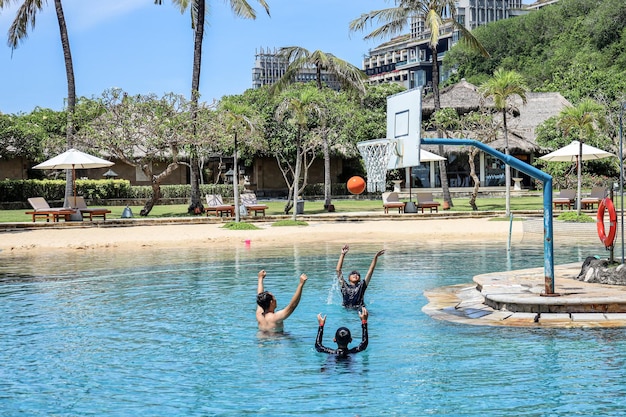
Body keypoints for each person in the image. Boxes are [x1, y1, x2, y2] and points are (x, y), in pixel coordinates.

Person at [336, 244, 385, 308]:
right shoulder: (344, 285)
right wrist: (342, 254)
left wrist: (375, 257)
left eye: (357, 274)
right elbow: (338, 270)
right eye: (353, 273)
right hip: (346, 310)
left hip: (359, 309)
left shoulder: (362, 286)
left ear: (359, 279)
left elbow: (370, 271)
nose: (355, 275)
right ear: (348, 278)